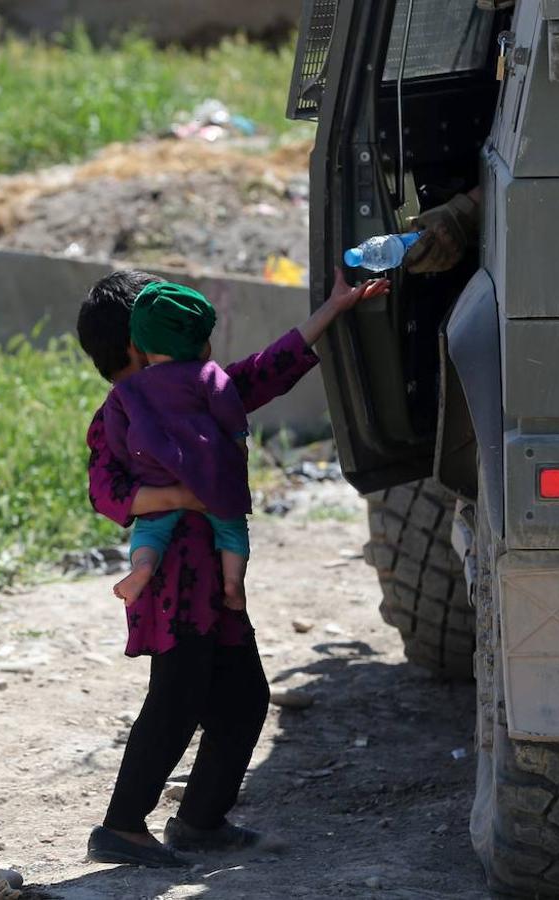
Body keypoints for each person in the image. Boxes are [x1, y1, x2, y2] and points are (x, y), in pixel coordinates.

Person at [78, 268, 388, 867]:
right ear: (139, 346)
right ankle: (120, 825)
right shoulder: (119, 412)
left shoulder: (203, 389)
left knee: (245, 698)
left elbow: (267, 367)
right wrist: (183, 498)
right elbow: (107, 493)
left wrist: (331, 310)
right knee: (178, 698)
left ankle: (200, 820)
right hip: (171, 582)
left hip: (217, 590)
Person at [105, 282, 254, 611]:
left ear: (140, 345)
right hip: (212, 480)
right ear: (202, 343)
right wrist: (238, 452)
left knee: (149, 533)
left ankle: (143, 565)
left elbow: (116, 440)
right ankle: (233, 583)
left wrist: (135, 464)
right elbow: (232, 420)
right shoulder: (210, 376)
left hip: (155, 479)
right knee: (232, 531)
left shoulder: (126, 392)